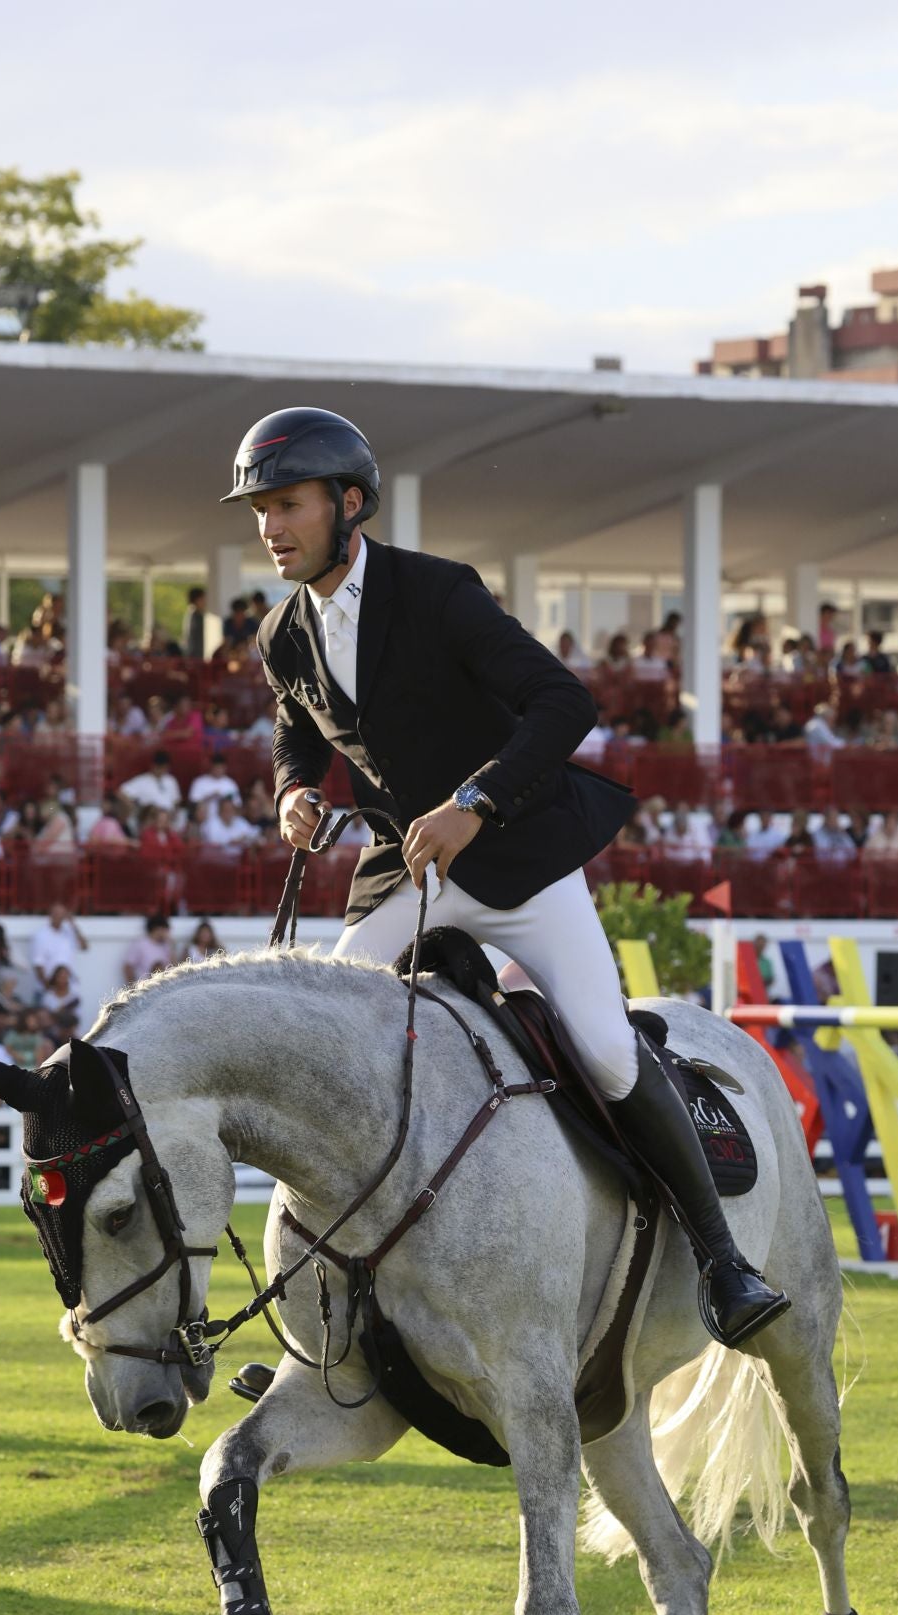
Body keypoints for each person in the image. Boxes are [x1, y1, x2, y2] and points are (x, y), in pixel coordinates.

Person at [224, 403, 787, 1350]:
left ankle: (723, 1261)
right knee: (324, 1060)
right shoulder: (284, 631)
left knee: (606, 1052)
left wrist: (474, 802)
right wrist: (293, 791)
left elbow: (567, 704)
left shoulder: (440, 593)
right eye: (258, 511)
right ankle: (316, 1301)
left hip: (517, 859)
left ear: (350, 502)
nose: (270, 528)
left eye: (287, 505)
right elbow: (294, 722)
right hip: (402, 870)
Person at [30, 903, 88, 995]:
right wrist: (48, 987)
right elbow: (38, 964)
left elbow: (84, 947)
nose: (60, 917)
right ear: (51, 915)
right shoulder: (41, 935)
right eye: (57, 914)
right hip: (48, 988)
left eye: (62, 914)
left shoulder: (69, 932)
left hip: (68, 988)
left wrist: (73, 925)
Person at [123, 913, 177, 984]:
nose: (164, 933)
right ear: (155, 929)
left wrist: (171, 946)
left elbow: (174, 967)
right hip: (144, 986)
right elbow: (128, 967)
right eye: (162, 929)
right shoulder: (140, 944)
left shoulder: (167, 945)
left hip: (164, 987)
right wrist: (132, 987)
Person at [181, 586, 207, 660]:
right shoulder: (195, 615)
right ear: (197, 600)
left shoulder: (192, 614)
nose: (205, 601)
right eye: (203, 599)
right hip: (195, 655)